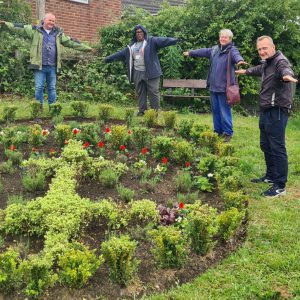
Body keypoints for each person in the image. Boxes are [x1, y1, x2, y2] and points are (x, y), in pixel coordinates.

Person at [236, 35, 298, 197]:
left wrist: (287, 75)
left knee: (277, 147)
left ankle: (280, 185)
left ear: (273, 47)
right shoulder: (267, 63)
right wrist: (245, 71)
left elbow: (285, 69)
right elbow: (258, 69)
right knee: (266, 144)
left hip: (277, 109)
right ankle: (270, 176)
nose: (262, 52)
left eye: (264, 48)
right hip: (265, 109)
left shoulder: (279, 61)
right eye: (259, 49)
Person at [0, 13, 93, 109]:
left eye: (53, 21)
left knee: (52, 88)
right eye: (50, 20)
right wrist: (6, 23)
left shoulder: (58, 34)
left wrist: (88, 48)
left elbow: (72, 42)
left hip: (52, 66)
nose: (52, 23)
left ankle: (52, 108)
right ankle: (38, 108)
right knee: (39, 87)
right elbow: (20, 27)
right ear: (44, 20)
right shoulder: (35, 30)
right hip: (39, 66)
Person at [183, 29, 246, 142]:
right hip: (213, 87)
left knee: (224, 111)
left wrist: (240, 61)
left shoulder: (232, 50)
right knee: (216, 111)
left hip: (224, 88)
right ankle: (218, 131)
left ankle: (228, 133)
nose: (223, 38)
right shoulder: (214, 50)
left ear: (230, 39)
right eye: (221, 36)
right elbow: (202, 51)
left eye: (225, 37)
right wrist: (190, 52)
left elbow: (237, 56)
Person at [104, 24, 178, 116]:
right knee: (140, 92)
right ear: (135, 34)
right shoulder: (131, 47)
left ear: (144, 33)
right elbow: (119, 54)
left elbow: (163, 40)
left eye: (140, 32)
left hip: (151, 72)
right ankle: (142, 111)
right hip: (137, 72)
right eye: (137, 32)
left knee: (153, 92)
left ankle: (155, 112)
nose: (138, 34)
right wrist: (107, 59)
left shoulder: (151, 41)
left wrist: (175, 40)